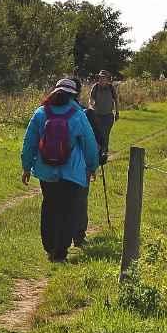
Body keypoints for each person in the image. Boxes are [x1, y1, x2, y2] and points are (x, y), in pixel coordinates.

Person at [21, 77, 100, 263]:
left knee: (49, 207)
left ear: (55, 91)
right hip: (71, 173)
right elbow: (89, 142)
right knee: (68, 211)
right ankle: (60, 253)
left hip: (46, 172)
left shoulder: (41, 112)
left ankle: (50, 248)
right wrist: (91, 166)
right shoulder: (78, 114)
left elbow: (29, 142)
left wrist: (26, 167)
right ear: (74, 95)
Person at [87, 70, 120, 165]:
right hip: (96, 116)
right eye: (100, 77)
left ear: (107, 79)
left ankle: (104, 153)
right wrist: (91, 105)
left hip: (108, 116)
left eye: (103, 77)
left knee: (105, 135)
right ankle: (98, 153)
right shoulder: (95, 87)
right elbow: (91, 98)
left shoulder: (111, 87)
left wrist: (117, 112)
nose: (101, 79)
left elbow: (116, 100)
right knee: (97, 135)